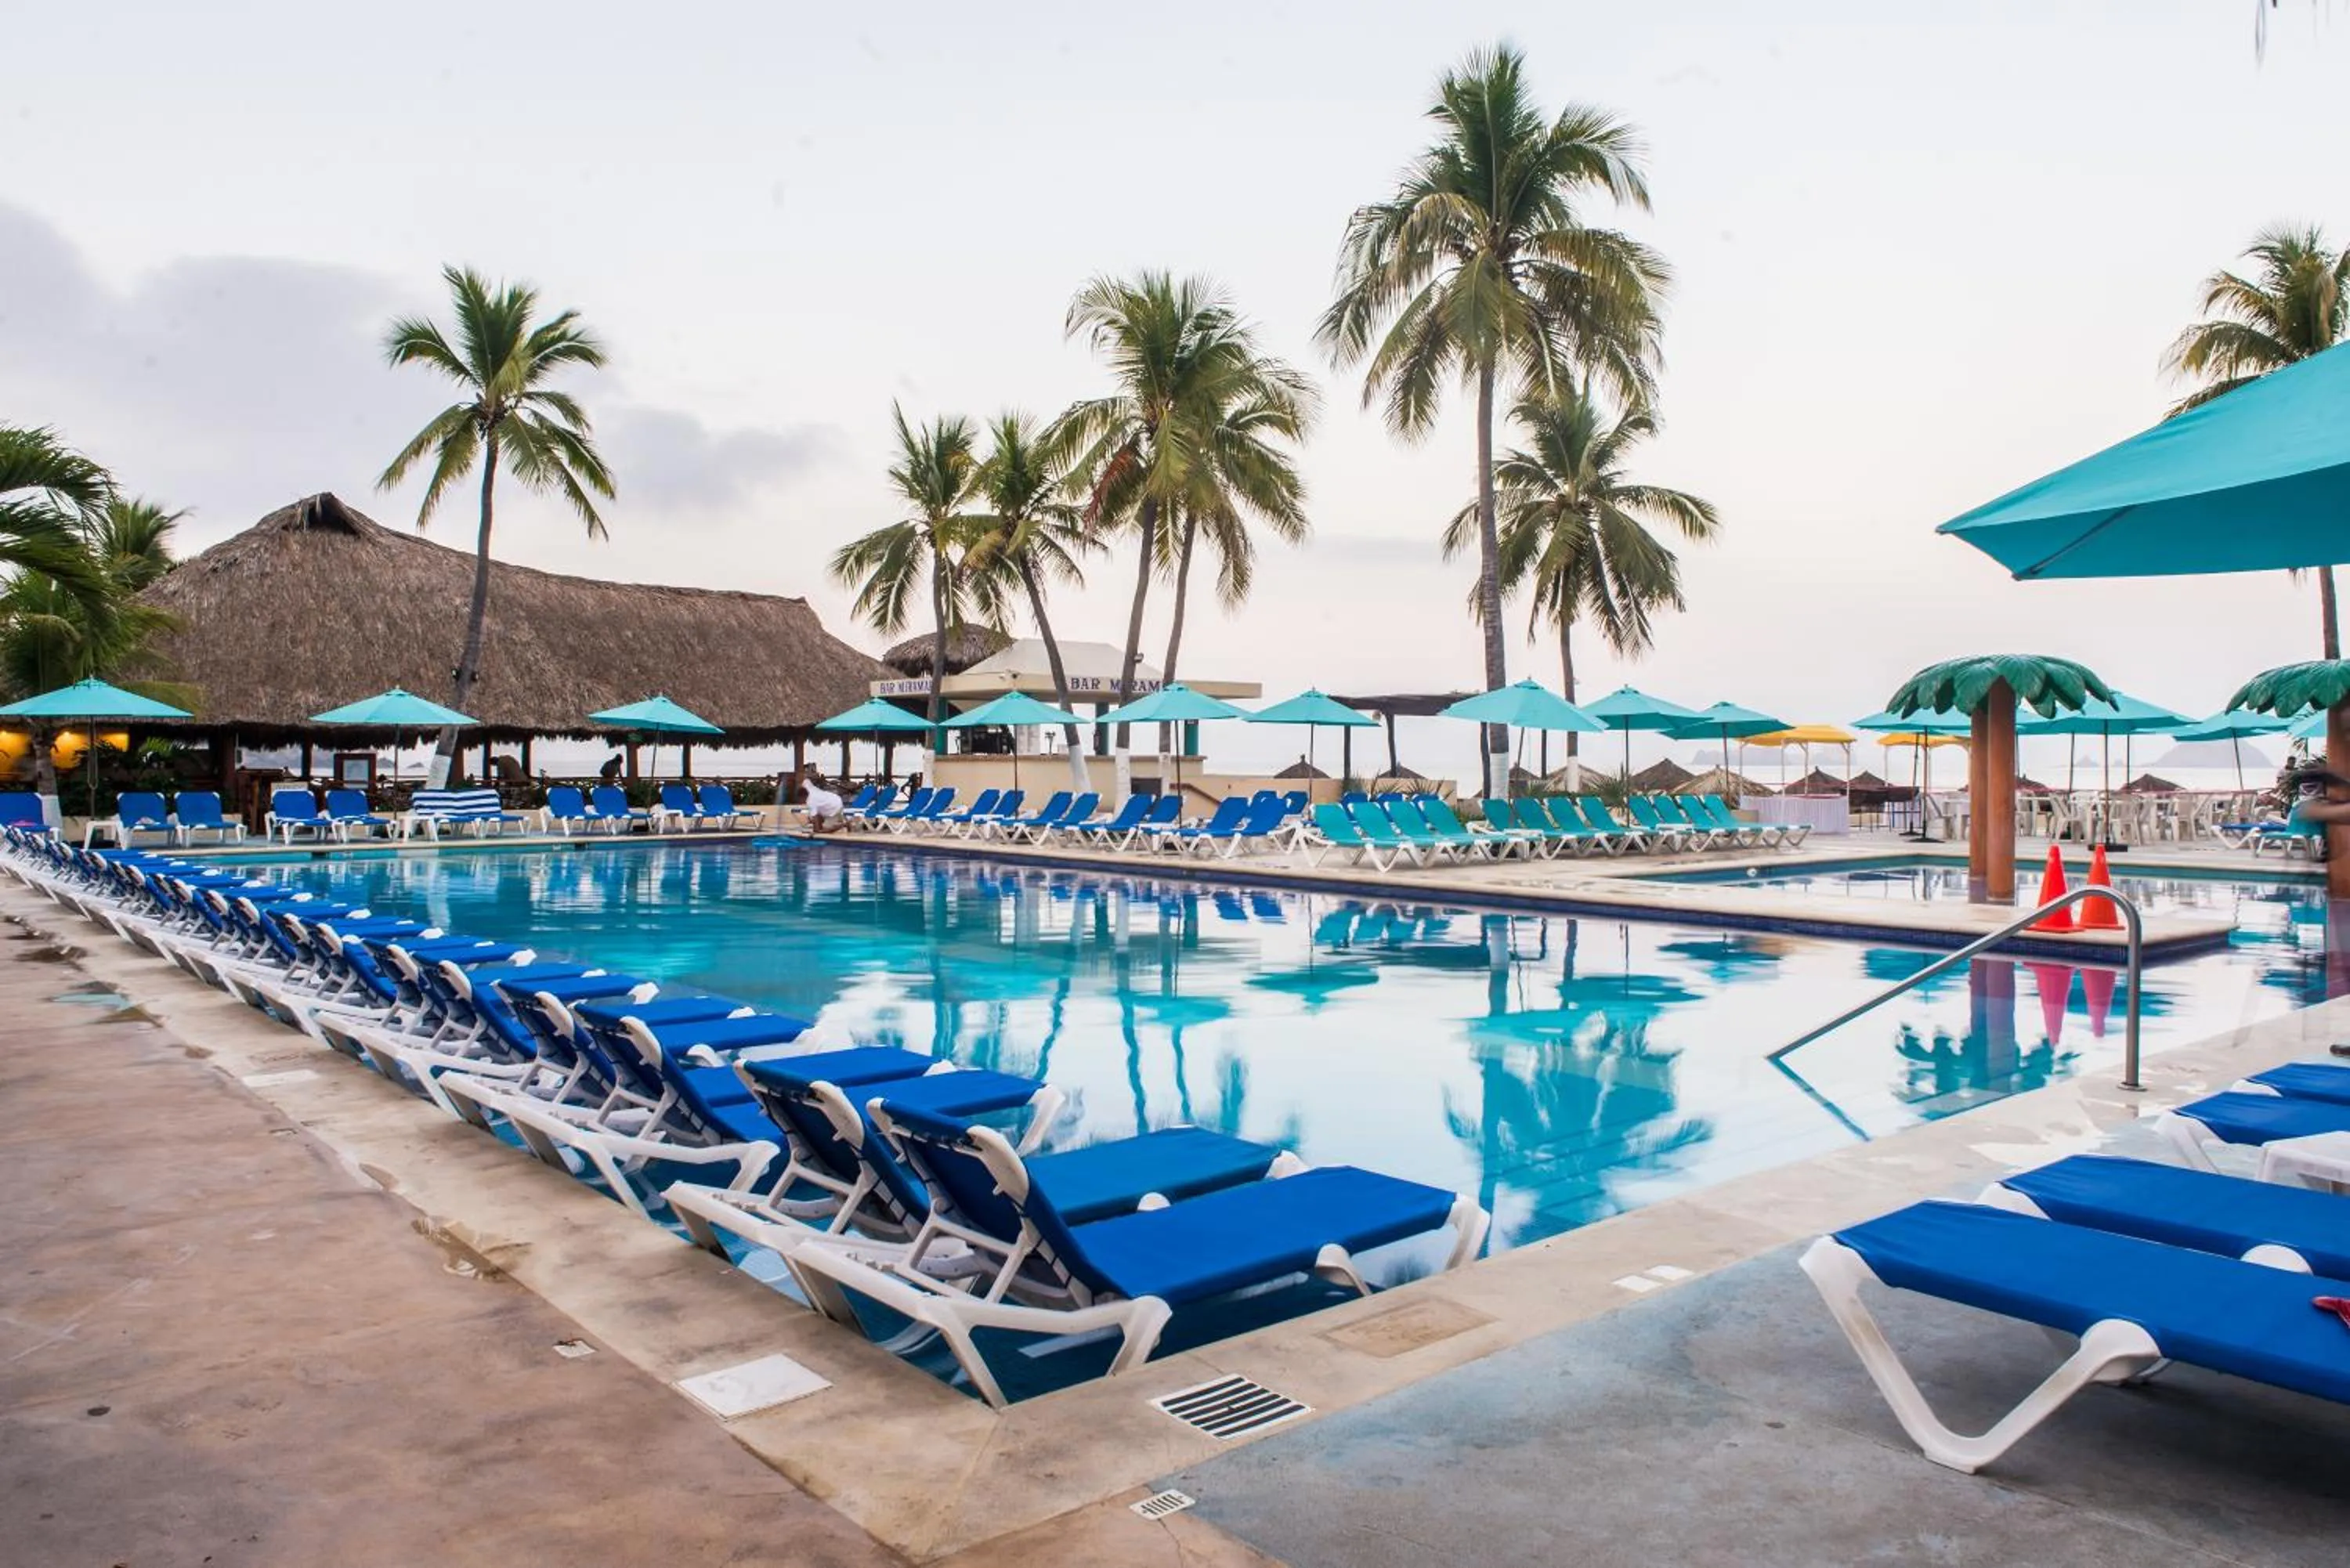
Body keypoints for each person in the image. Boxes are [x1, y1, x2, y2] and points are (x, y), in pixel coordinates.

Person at [801, 768, 845, 834]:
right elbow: (806, 779)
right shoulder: (807, 785)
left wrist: (817, 829)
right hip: (834, 799)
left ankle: (845, 824)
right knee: (814, 817)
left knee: (823, 830)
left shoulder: (811, 801)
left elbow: (816, 822)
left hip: (835, 807)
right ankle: (841, 821)